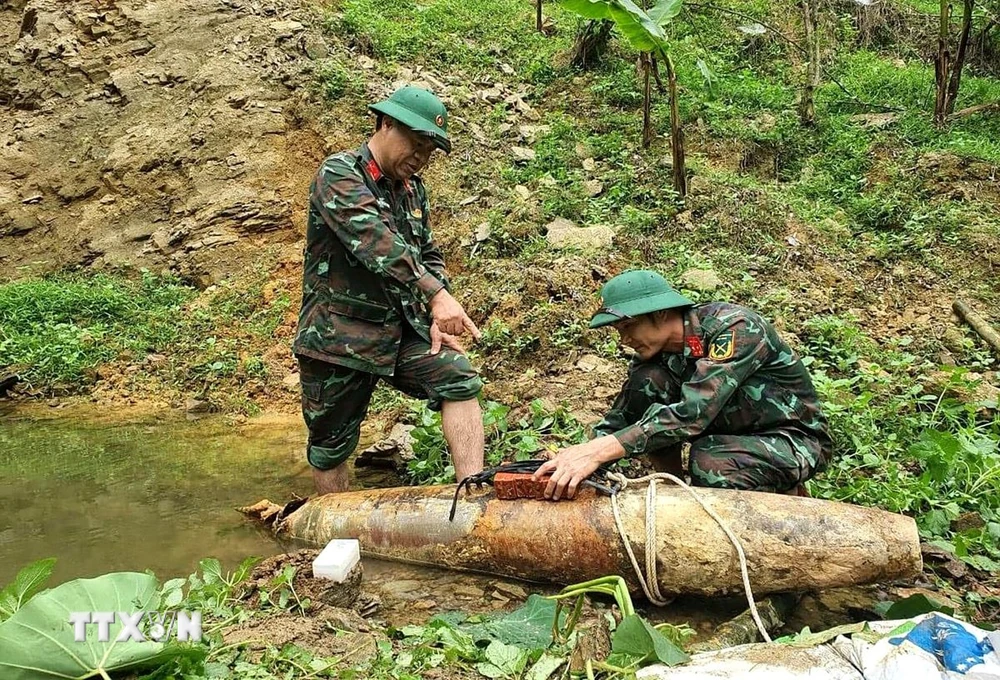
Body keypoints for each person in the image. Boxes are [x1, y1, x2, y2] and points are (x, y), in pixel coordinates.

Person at [293, 85, 485, 494]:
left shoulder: (413, 191)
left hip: (397, 333)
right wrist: (435, 295)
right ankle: (337, 534)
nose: (420, 159)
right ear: (384, 123)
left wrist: (436, 311)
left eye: (429, 152)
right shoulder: (340, 173)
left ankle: (472, 493)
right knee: (331, 446)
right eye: (414, 145)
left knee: (458, 377)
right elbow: (375, 240)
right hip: (338, 337)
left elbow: (427, 253)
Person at [533, 269, 832, 500]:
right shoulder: (654, 358)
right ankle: (676, 493)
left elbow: (693, 414)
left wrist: (599, 452)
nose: (623, 339)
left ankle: (784, 506)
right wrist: (578, 452)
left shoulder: (735, 329)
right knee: (648, 384)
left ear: (660, 312)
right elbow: (622, 419)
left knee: (711, 460)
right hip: (726, 437)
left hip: (792, 439)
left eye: (627, 326)